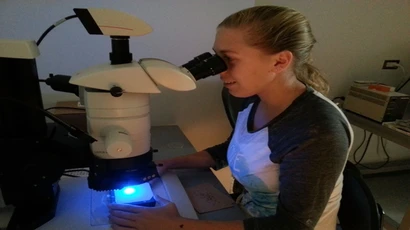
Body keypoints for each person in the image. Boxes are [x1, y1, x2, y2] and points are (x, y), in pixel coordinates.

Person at [108, 5, 353, 230]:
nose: (219, 71)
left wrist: (176, 226)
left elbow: (292, 226)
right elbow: (237, 148)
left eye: (230, 59)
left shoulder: (318, 130)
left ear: (279, 61)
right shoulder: (256, 97)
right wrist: (168, 164)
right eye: (217, 58)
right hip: (246, 214)